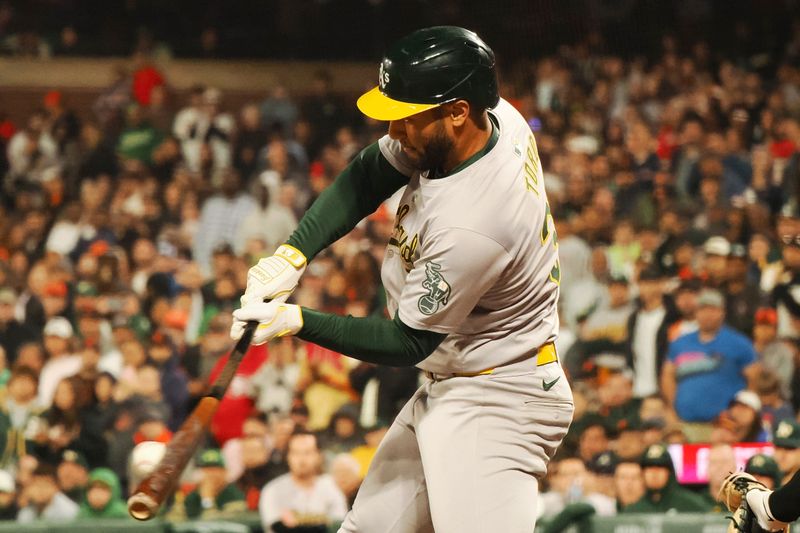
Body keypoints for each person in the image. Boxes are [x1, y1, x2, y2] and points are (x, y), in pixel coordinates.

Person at [232, 26, 573, 533]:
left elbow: (407, 340)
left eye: (407, 118)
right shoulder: (491, 116)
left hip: (498, 398)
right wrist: (294, 253)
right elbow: (371, 172)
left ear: (457, 111)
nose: (394, 131)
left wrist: (295, 320)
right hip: (456, 379)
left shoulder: (477, 222)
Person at [661, 288, 759, 442]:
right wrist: (672, 408)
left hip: (724, 426)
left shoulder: (739, 343)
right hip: (685, 423)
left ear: (722, 312)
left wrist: (742, 415)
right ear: (696, 312)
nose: (707, 314)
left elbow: (754, 379)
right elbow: (668, 375)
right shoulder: (680, 343)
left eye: (712, 309)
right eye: (702, 309)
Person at [259, 431, 348, 533]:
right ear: (288, 456)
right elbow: (278, 528)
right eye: (296, 453)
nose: (301, 459)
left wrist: (297, 524)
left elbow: (338, 526)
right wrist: (320, 525)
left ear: (319, 456)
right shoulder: (272, 490)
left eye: (307, 453)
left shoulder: (331, 486)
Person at [624, 443, 710, 513]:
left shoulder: (692, 505)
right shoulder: (633, 511)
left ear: (669, 473)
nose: (654, 474)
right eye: (649, 469)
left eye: (660, 468)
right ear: (642, 474)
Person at [170, 448, 246, 520]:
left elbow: (220, 527)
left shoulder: (235, 495)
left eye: (216, 470)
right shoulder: (194, 495)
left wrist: (207, 500)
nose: (211, 475)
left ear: (225, 472)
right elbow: (173, 520)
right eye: (207, 470)